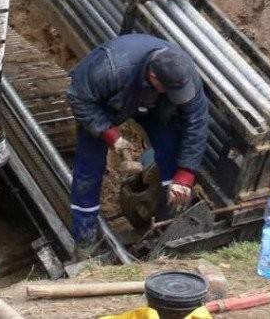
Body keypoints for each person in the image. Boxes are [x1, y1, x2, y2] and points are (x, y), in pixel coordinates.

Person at [66, 33, 208, 257]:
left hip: (156, 108)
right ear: (152, 75)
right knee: (89, 168)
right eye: (170, 90)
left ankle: (168, 228)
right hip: (109, 103)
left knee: (172, 154)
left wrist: (186, 174)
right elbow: (78, 98)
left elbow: (196, 122)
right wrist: (111, 135)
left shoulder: (184, 74)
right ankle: (85, 239)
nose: (177, 94)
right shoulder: (110, 68)